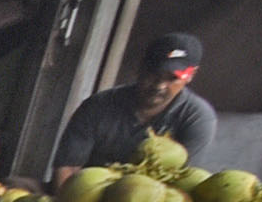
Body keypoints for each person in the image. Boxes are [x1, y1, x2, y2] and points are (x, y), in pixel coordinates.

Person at [50, 34, 216, 174]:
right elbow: (68, 167)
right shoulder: (98, 105)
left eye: (172, 78)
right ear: (141, 67)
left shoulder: (197, 117)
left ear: (191, 75)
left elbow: (182, 179)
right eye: (154, 74)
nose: (159, 85)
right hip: (86, 196)